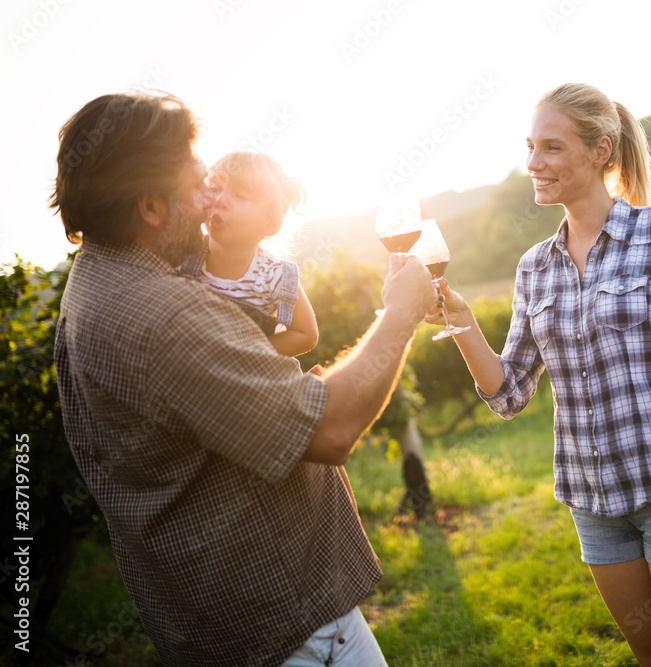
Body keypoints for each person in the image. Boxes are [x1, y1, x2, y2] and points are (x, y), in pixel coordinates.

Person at [50, 91, 437, 666]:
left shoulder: (97, 282)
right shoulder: (166, 313)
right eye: (201, 183)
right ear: (152, 208)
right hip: (284, 631)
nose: (211, 197)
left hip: (238, 625)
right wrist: (400, 312)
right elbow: (329, 430)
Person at [428, 83, 651, 666]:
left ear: (602, 152)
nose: (533, 164)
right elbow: (509, 393)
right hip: (593, 503)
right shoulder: (534, 268)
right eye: (530, 147)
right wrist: (462, 322)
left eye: (552, 147)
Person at [178, 151, 318, 358]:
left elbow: (306, 334)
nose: (220, 199)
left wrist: (247, 354)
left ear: (270, 222)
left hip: (241, 381)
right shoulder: (182, 255)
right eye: (214, 188)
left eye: (240, 195)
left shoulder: (275, 275)